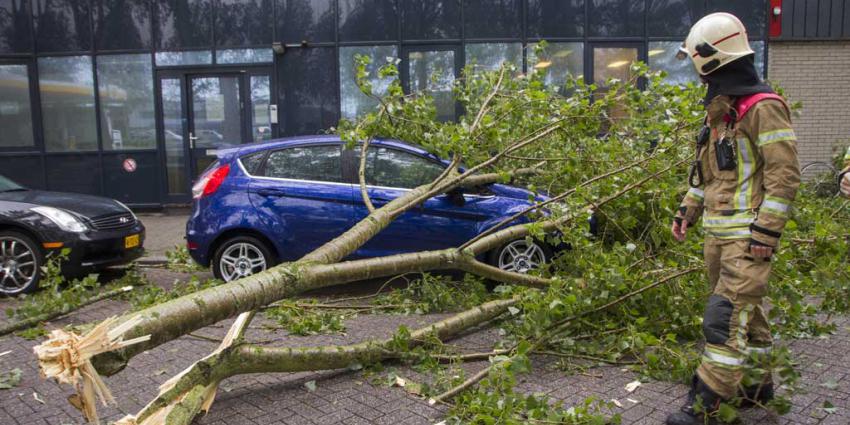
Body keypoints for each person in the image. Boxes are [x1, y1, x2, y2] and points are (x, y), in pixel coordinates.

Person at [668, 12, 801, 425]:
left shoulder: (763, 108)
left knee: (723, 318)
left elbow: (785, 176)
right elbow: (708, 175)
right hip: (718, 236)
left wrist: (766, 231)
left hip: (747, 239)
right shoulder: (723, 112)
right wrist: (687, 210)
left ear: (711, 59)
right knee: (748, 312)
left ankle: (706, 405)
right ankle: (754, 388)